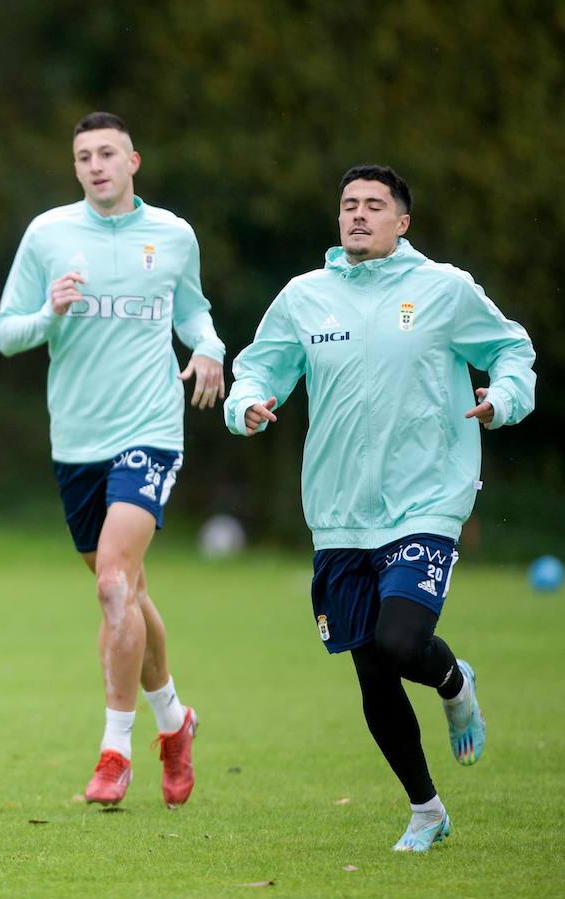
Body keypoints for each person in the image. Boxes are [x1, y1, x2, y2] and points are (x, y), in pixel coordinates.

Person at [225, 164, 535, 852]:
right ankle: (426, 811)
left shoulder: (444, 291)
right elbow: (259, 367)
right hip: (338, 512)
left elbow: (511, 348)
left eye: (373, 206)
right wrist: (244, 402)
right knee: (372, 668)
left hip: (427, 501)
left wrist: (504, 397)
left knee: (400, 643)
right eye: (348, 206)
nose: (358, 215)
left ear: (403, 222)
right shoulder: (306, 297)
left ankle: (454, 683)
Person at [0, 111, 223, 808]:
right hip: (76, 440)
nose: (96, 165)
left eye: (107, 154)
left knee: (113, 588)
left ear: (134, 162)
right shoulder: (47, 235)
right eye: (84, 156)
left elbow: (193, 311)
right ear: (76, 169)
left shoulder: (173, 235)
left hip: (149, 429)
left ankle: (114, 752)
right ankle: (174, 720)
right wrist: (51, 313)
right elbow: (7, 334)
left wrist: (209, 347)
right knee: (130, 594)